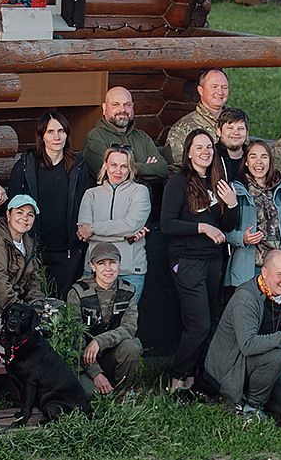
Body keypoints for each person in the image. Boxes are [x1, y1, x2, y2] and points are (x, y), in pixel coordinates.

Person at [161, 129, 239, 399]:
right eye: (199, 147)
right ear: (189, 152)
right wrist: (202, 227)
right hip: (187, 261)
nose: (205, 152)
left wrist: (231, 205)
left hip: (213, 261)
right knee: (199, 325)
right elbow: (167, 224)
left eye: (209, 147)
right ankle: (176, 379)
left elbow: (228, 226)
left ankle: (193, 379)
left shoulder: (219, 181)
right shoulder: (179, 183)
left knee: (207, 322)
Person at [204, 250, 281, 421]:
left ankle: (248, 399)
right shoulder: (246, 298)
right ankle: (251, 409)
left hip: (263, 366)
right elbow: (248, 345)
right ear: (264, 272)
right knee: (275, 356)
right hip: (232, 366)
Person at [9, 111, 91, 297]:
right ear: (42, 136)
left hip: (68, 249)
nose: (57, 137)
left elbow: (88, 201)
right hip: (35, 248)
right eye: (50, 132)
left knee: (63, 302)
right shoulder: (26, 166)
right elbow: (13, 205)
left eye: (61, 131)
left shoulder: (77, 165)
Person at [66, 243, 143, 397]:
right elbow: (75, 337)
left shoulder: (127, 291)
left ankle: (124, 392)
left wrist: (100, 341)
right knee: (90, 396)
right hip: (83, 360)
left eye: (112, 263)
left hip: (110, 355)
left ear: (119, 264)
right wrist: (96, 374)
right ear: (92, 266)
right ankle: (101, 387)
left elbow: (129, 328)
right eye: (101, 263)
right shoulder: (78, 292)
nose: (108, 269)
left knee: (132, 346)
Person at [78, 146, 152, 303]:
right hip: (95, 271)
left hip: (130, 270)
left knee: (125, 323)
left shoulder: (139, 191)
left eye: (124, 166)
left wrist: (93, 229)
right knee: (91, 323)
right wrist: (125, 236)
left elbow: (131, 225)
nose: (118, 171)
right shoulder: (91, 194)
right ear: (105, 164)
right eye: (113, 165)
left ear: (130, 168)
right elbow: (83, 233)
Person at [226, 139, 281, 288]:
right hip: (251, 268)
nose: (259, 162)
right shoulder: (236, 190)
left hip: (278, 270)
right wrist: (242, 238)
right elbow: (224, 231)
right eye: (253, 157)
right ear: (245, 162)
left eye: (264, 157)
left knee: (276, 311)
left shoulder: (280, 189)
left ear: (270, 161)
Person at [0, 194, 45, 325]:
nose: (24, 218)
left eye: (30, 215)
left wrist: (36, 305)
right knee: (36, 330)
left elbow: (33, 279)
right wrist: (22, 309)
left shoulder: (28, 242)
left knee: (58, 313)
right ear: (8, 215)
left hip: (19, 304)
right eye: (19, 212)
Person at [80, 86, 169, 183]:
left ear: (133, 107)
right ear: (104, 108)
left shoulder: (141, 136)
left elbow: (163, 170)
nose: (122, 110)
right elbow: (111, 177)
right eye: (115, 104)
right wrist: (147, 171)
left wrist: (135, 169)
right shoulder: (95, 137)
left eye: (127, 105)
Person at [166, 68, 229, 173]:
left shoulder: (235, 124)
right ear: (200, 90)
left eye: (224, 87)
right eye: (214, 87)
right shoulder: (182, 128)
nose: (220, 92)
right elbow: (174, 170)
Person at [216, 107, 250, 182]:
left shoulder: (253, 158)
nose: (236, 133)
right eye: (230, 128)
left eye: (240, 128)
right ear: (219, 131)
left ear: (247, 132)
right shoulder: (210, 156)